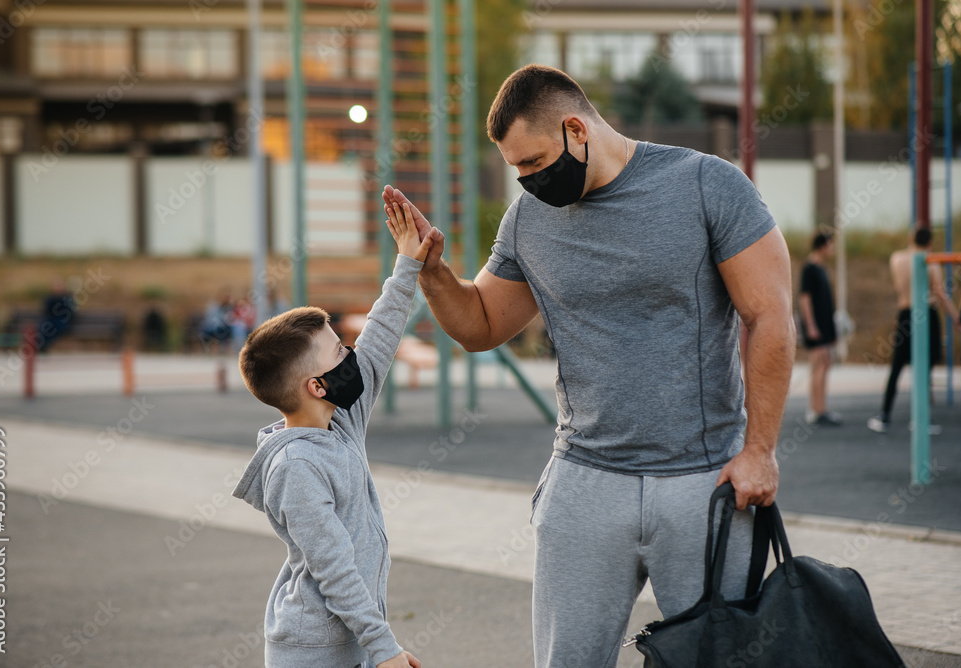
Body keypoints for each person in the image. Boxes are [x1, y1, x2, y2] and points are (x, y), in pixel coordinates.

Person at [383, 64, 796, 667]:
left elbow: (771, 317)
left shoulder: (707, 184)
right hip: (585, 481)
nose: (526, 180)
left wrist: (759, 450)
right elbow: (480, 326)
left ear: (577, 129)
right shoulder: (528, 219)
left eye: (533, 162)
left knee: (720, 661)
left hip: (703, 480)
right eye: (515, 168)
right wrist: (432, 270)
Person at [231, 201, 428, 668]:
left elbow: (379, 338)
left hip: (351, 643)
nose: (352, 356)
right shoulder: (295, 467)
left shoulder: (340, 422)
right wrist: (386, 650)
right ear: (316, 386)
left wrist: (408, 264)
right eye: (340, 352)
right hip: (310, 651)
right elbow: (335, 570)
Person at [867, 228, 961, 434]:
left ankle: (884, 414)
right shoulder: (929, 261)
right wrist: (957, 318)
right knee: (925, 367)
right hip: (926, 314)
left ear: (911, 238)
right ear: (929, 243)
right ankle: (921, 418)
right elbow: (940, 293)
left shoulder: (897, 259)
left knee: (897, 366)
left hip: (905, 313)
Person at [799, 231, 842, 426]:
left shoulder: (822, 269)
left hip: (825, 325)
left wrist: (832, 331)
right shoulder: (809, 269)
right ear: (822, 246)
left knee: (825, 365)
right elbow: (804, 298)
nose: (832, 249)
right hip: (815, 326)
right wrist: (810, 326)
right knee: (818, 365)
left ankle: (820, 408)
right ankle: (816, 410)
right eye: (830, 245)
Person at [40, 276, 76, 352]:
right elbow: (46, 311)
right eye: (56, 286)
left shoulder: (67, 298)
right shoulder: (50, 298)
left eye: (59, 286)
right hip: (51, 320)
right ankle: (42, 345)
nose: (58, 288)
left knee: (56, 326)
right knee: (46, 326)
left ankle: (44, 345)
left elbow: (71, 313)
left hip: (63, 321)